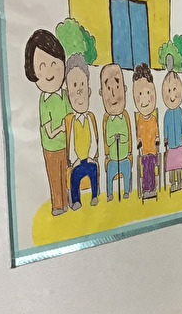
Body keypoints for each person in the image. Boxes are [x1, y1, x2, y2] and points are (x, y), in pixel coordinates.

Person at [24, 29, 70, 216]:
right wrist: (62, 128)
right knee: (55, 176)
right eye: (42, 66)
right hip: (51, 147)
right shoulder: (44, 101)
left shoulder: (64, 95)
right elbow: (49, 131)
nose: (49, 72)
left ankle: (66, 202)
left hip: (66, 145)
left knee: (65, 174)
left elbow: (70, 117)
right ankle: (58, 205)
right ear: (33, 71)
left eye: (53, 64)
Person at [64, 54, 99, 209]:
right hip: (78, 161)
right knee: (74, 177)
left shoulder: (90, 118)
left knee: (93, 171)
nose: (79, 91)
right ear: (68, 94)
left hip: (89, 159)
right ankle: (76, 200)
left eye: (82, 85)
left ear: (89, 90)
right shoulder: (72, 121)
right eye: (74, 86)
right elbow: (71, 143)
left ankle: (94, 196)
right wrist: (74, 160)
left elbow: (94, 140)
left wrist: (92, 156)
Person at [100, 63, 132, 201]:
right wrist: (114, 138)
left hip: (124, 157)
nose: (113, 94)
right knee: (110, 172)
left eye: (117, 87)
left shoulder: (124, 117)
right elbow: (107, 140)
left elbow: (127, 137)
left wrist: (121, 137)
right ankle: (109, 193)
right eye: (108, 89)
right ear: (101, 93)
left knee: (126, 168)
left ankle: (126, 191)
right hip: (112, 158)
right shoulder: (108, 120)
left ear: (124, 89)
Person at [132, 63, 160, 199]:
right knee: (146, 165)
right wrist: (138, 141)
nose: (145, 99)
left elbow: (157, 134)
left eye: (148, 93)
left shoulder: (153, 119)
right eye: (140, 94)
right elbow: (138, 135)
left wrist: (157, 139)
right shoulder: (140, 120)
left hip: (153, 152)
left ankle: (152, 189)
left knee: (151, 166)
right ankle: (146, 189)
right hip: (144, 153)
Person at [162, 68, 182, 192]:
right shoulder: (167, 114)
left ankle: (180, 181)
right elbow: (165, 127)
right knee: (171, 164)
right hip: (171, 144)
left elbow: (181, 125)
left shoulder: (179, 111)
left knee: (179, 163)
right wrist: (165, 137)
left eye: (174, 89)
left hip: (179, 143)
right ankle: (172, 183)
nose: (172, 95)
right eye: (169, 91)